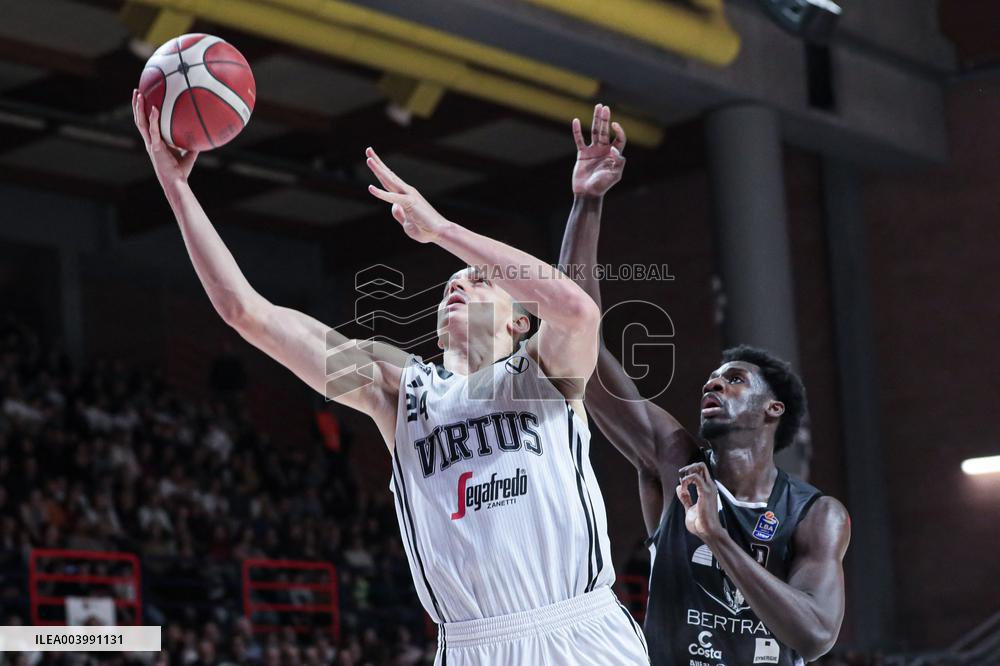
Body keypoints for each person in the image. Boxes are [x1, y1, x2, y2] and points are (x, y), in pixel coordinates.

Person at [131, 91, 648, 665]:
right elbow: (247, 313)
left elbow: (577, 310)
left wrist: (442, 229)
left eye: (478, 280)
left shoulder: (546, 374)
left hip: (577, 632)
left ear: (520, 320)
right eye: (450, 284)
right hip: (471, 648)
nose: (458, 284)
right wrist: (175, 187)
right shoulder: (400, 393)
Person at [558, 104, 851, 665]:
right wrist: (586, 202)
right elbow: (578, 340)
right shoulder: (674, 459)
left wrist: (716, 536)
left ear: (772, 409)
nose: (712, 386)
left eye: (734, 380)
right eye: (711, 380)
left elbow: (816, 635)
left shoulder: (816, 515)